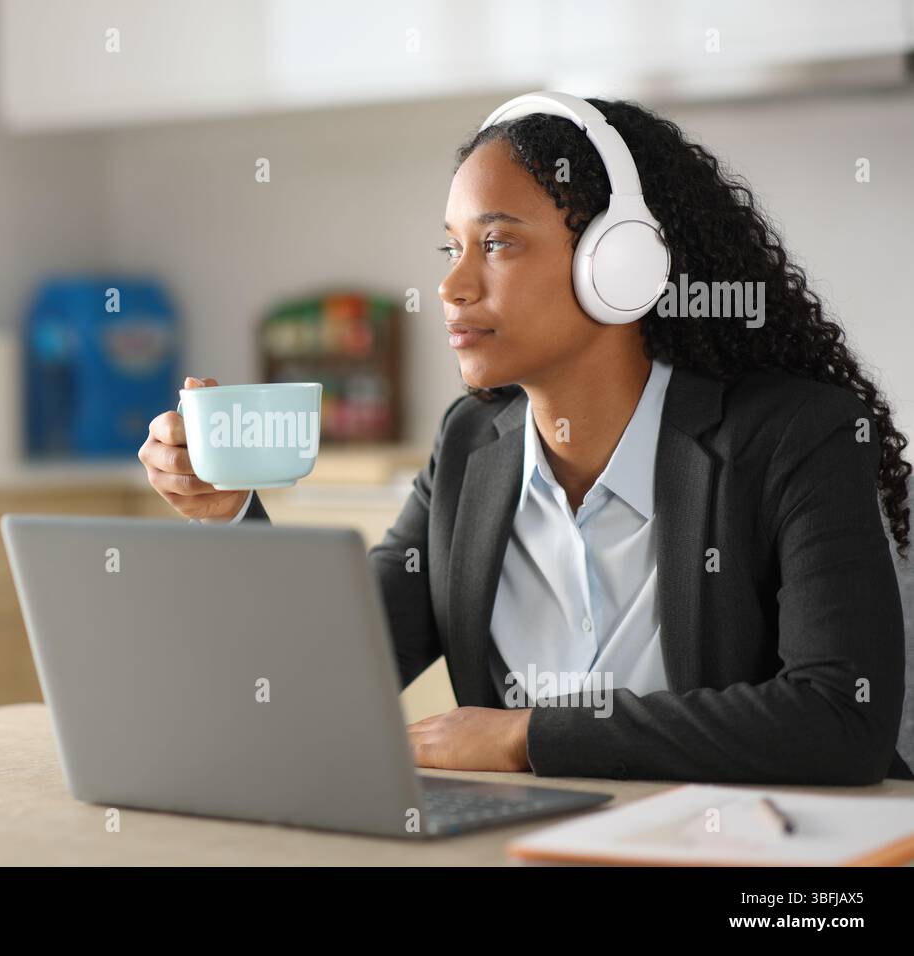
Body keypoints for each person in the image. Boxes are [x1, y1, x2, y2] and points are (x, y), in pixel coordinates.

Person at [137, 94, 912, 784]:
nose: (451, 286)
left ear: (622, 264)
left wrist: (528, 738)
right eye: (451, 248)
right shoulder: (473, 444)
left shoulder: (792, 437)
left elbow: (839, 720)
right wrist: (232, 513)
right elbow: (325, 669)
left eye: (497, 244)